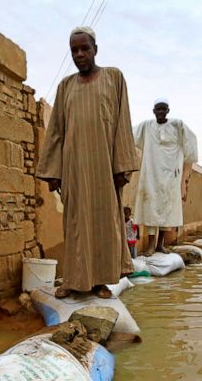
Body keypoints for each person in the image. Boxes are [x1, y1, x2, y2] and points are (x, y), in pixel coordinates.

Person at [36, 26, 138, 299]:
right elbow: (56, 130)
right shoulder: (65, 86)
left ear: (95, 49)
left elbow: (122, 123)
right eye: (74, 50)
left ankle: (102, 282)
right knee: (76, 225)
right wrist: (53, 172)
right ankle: (73, 280)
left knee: (105, 225)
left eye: (85, 48)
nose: (79, 54)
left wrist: (122, 166)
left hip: (105, 168)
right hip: (74, 168)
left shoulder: (114, 77)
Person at [133, 98, 198, 256]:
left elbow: (191, 141)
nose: (161, 112)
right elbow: (128, 134)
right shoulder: (146, 126)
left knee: (166, 209)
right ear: (153, 111)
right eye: (158, 109)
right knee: (150, 208)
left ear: (168, 111)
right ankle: (150, 245)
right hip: (151, 174)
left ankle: (160, 244)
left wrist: (188, 159)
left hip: (170, 175)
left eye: (164, 109)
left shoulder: (177, 125)